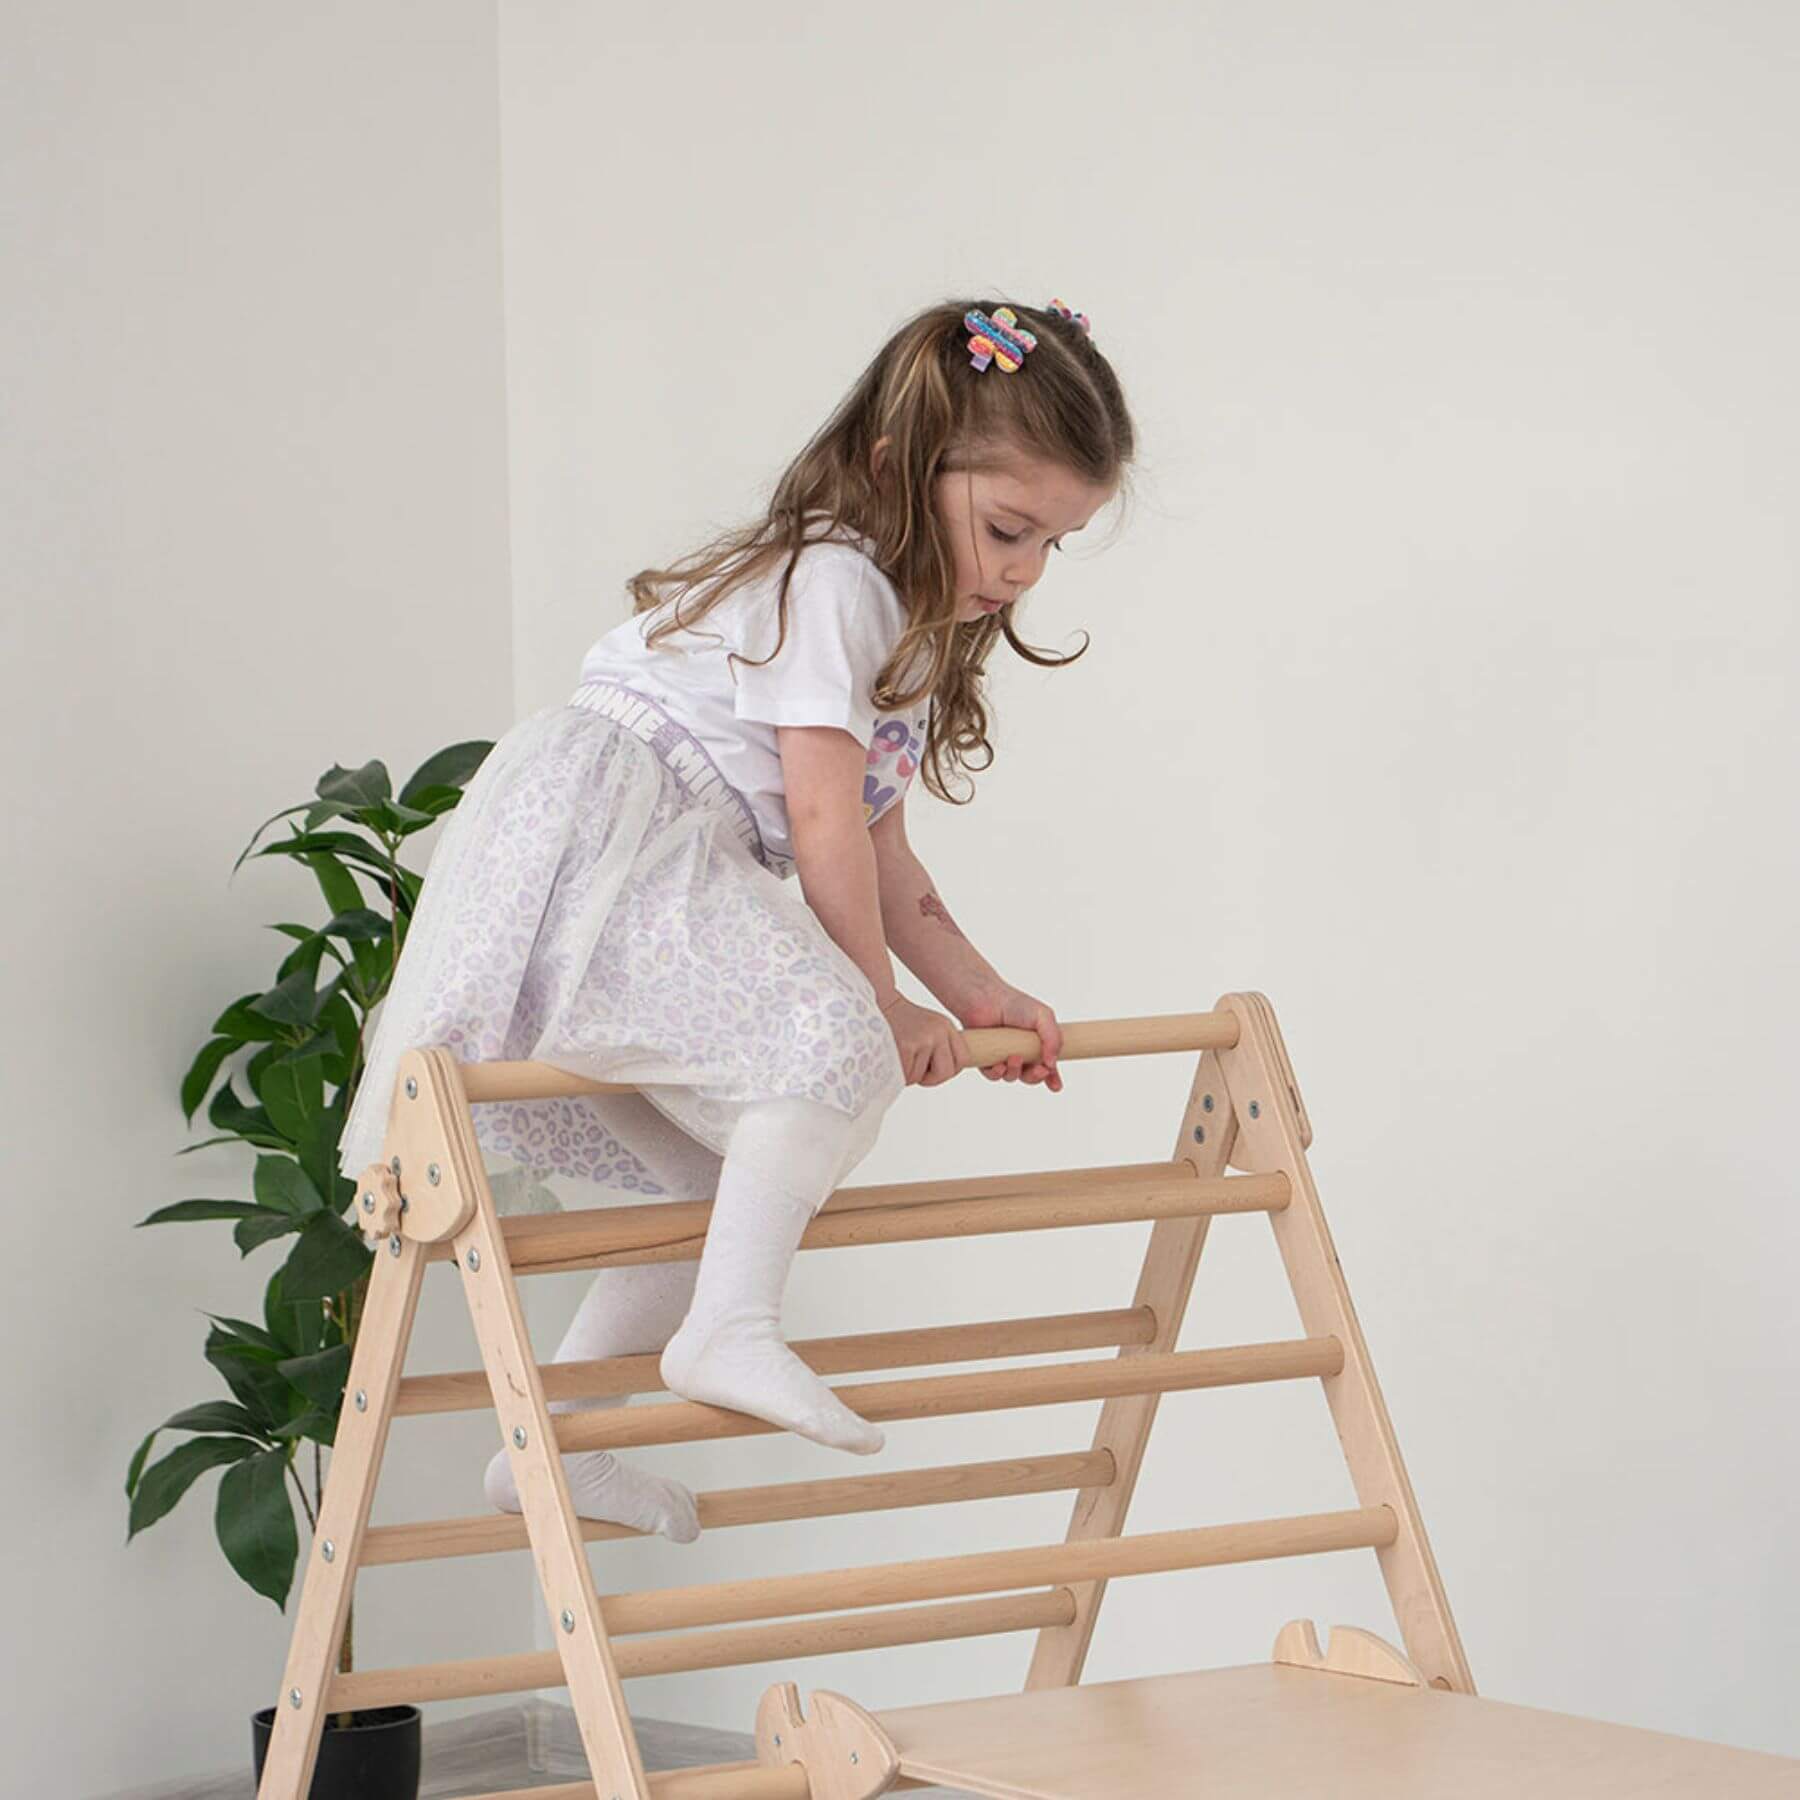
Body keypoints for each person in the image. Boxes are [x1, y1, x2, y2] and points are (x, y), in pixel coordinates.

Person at [336, 296, 1136, 1542]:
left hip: (646, 861)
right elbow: (820, 826)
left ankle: (558, 1444)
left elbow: (879, 842)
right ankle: (728, 1329)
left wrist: (979, 996)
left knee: (720, 1177)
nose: (1024, 570)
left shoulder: (898, 631)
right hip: (609, 849)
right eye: (1006, 529)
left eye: (1052, 545)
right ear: (899, 470)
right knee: (828, 1045)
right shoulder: (836, 582)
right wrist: (878, 1006)